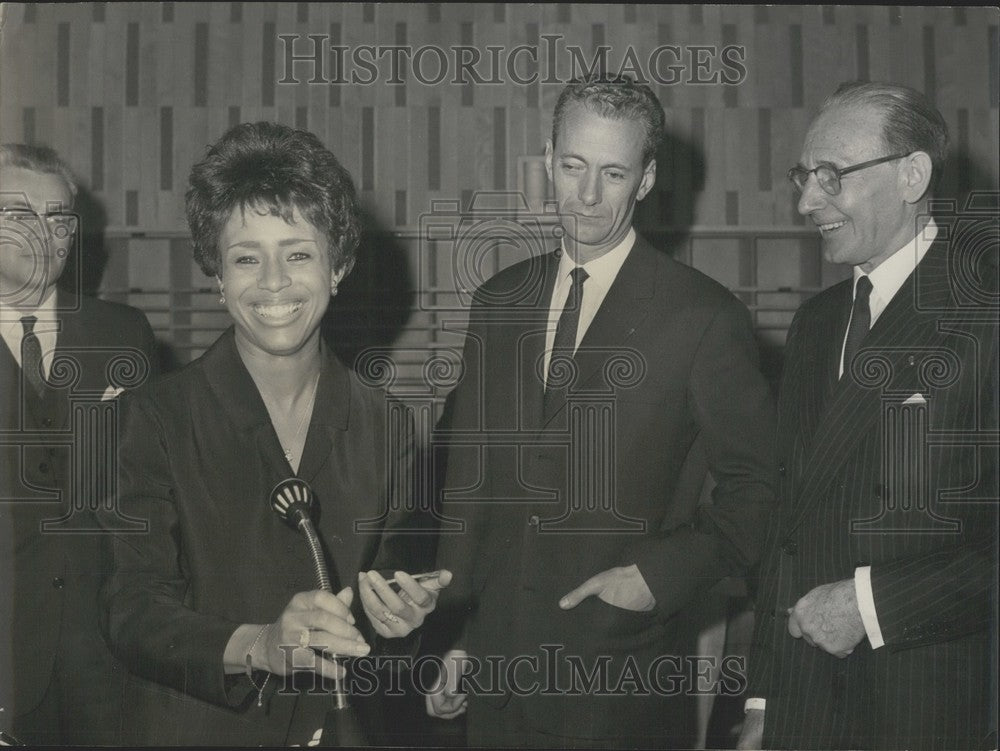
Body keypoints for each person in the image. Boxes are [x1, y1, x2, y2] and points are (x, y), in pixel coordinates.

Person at [427, 75, 777, 748]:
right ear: (547, 156)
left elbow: (760, 489)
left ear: (645, 180)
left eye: (612, 173)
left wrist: (657, 576)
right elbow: (471, 489)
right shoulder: (498, 300)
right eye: (573, 167)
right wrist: (460, 634)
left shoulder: (703, 317)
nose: (587, 196)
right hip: (496, 679)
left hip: (622, 682)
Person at [102, 121, 450, 746]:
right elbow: (131, 613)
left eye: (297, 253)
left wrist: (402, 621)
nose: (272, 282)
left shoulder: (390, 425)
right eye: (245, 257)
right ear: (216, 275)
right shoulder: (153, 416)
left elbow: (387, 623)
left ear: (338, 265)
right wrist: (257, 645)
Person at [739, 81, 998, 750]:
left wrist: (872, 603)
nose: (805, 201)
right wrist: (764, 698)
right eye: (803, 176)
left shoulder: (984, 308)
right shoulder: (816, 323)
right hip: (804, 702)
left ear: (912, 174)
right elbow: (787, 524)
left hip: (927, 706)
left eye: (832, 176)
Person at [0, 143, 158, 744]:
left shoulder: (124, 333)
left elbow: (153, 494)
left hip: (111, 667)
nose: (48, 233)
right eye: (21, 214)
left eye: (60, 217)